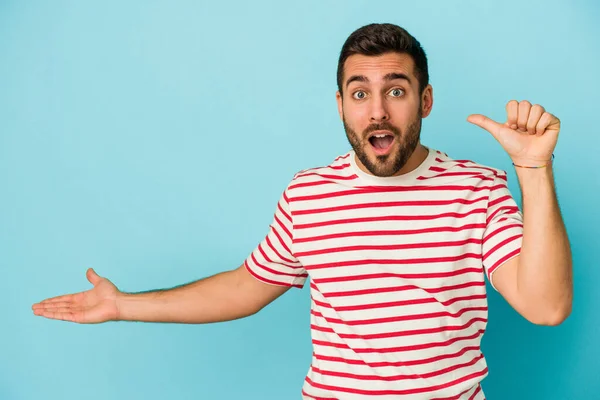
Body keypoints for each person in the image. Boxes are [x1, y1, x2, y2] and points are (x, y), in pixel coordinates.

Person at [32, 23, 573, 399]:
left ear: (425, 101)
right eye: (359, 93)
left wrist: (533, 171)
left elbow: (546, 307)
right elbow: (246, 286)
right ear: (340, 104)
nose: (378, 110)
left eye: (397, 90)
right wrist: (124, 305)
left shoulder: (478, 190)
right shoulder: (308, 194)